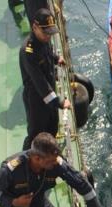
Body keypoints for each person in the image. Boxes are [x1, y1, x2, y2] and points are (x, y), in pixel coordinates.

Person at [20, 8, 71, 151]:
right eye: (45, 33)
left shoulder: (44, 39)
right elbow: (40, 84)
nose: (48, 37)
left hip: (50, 93)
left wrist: (56, 58)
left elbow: (48, 53)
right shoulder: (28, 51)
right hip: (36, 99)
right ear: (34, 27)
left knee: (52, 127)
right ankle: (28, 162)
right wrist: (60, 102)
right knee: (36, 135)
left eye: (50, 33)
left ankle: (47, 158)